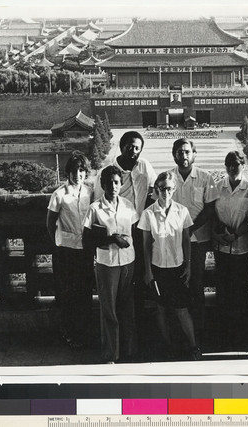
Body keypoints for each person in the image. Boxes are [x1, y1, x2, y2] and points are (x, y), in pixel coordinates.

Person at [94, 131, 157, 349]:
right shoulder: (108, 172)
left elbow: (154, 192)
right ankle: (114, 345)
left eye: (138, 147)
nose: (134, 150)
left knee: (135, 286)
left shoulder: (145, 167)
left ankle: (133, 341)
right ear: (121, 147)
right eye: (130, 146)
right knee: (114, 295)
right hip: (114, 236)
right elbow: (96, 208)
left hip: (137, 230)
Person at [138, 171, 201, 361]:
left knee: (181, 310)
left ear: (174, 190)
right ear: (156, 189)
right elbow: (146, 244)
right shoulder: (148, 213)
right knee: (161, 309)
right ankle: (168, 346)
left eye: (169, 189)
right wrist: (148, 271)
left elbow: (186, 241)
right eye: (162, 188)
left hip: (178, 268)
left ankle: (193, 346)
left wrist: (188, 266)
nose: (166, 192)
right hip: (158, 268)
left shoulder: (182, 211)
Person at [164, 138, 219, 343]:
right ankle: (179, 331)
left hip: (198, 240)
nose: (184, 156)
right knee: (176, 284)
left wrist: (190, 229)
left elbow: (210, 209)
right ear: (174, 155)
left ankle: (199, 329)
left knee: (196, 283)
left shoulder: (205, 178)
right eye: (179, 152)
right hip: (171, 240)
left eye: (187, 152)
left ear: (194, 154)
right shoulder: (168, 178)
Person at [83, 165, 139, 363]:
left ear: (121, 184)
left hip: (128, 261)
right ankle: (110, 353)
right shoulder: (95, 208)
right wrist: (112, 239)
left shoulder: (128, 205)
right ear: (103, 184)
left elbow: (135, 233)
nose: (113, 186)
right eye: (109, 183)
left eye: (116, 182)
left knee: (127, 307)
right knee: (109, 309)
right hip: (107, 264)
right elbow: (87, 240)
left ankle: (129, 351)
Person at [46, 151, 94, 348]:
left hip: (85, 249)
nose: (78, 175)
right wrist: (60, 242)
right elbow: (50, 224)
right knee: (68, 292)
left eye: (81, 171)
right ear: (68, 173)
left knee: (84, 290)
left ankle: (84, 331)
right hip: (65, 250)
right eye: (74, 171)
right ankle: (68, 331)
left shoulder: (90, 192)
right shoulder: (59, 195)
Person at [212, 151, 248, 348]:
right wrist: (218, 233)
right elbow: (213, 213)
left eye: (236, 164)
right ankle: (224, 337)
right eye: (229, 164)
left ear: (243, 165)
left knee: (241, 293)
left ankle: (242, 336)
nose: (232, 167)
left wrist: (236, 235)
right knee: (223, 292)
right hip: (221, 248)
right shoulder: (217, 187)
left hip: (242, 248)